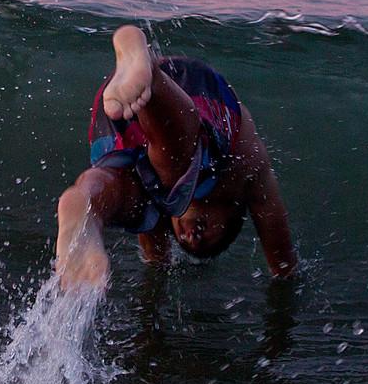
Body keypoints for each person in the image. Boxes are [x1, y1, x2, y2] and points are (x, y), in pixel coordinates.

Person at [55, 25, 296, 289]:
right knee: (181, 178)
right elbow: (276, 239)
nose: (192, 237)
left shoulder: (160, 209)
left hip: (118, 98)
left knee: (133, 201)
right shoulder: (248, 173)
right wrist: (286, 276)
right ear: (233, 212)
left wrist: (152, 312)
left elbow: (156, 260)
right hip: (195, 87)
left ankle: (87, 207)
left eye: (185, 241)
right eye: (208, 238)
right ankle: (149, 75)